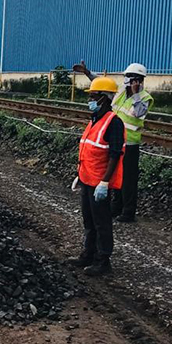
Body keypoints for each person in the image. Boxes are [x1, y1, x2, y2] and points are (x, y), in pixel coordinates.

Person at [72, 61, 153, 222]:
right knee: (117, 175)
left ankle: (128, 212)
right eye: (127, 76)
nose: (127, 79)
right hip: (115, 140)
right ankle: (116, 208)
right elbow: (104, 88)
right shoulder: (121, 92)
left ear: (139, 80)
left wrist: (136, 93)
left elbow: (138, 113)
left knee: (128, 180)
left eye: (130, 77)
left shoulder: (144, 98)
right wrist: (88, 73)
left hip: (130, 144)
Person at [69, 76, 125, 276]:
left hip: (99, 182)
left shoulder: (114, 122)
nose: (90, 100)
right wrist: (80, 174)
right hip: (86, 179)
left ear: (104, 98)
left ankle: (103, 261)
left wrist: (104, 182)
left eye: (93, 96)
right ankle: (88, 254)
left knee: (101, 222)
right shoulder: (94, 120)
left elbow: (115, 154)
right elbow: (89, 149)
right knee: (88, 220)